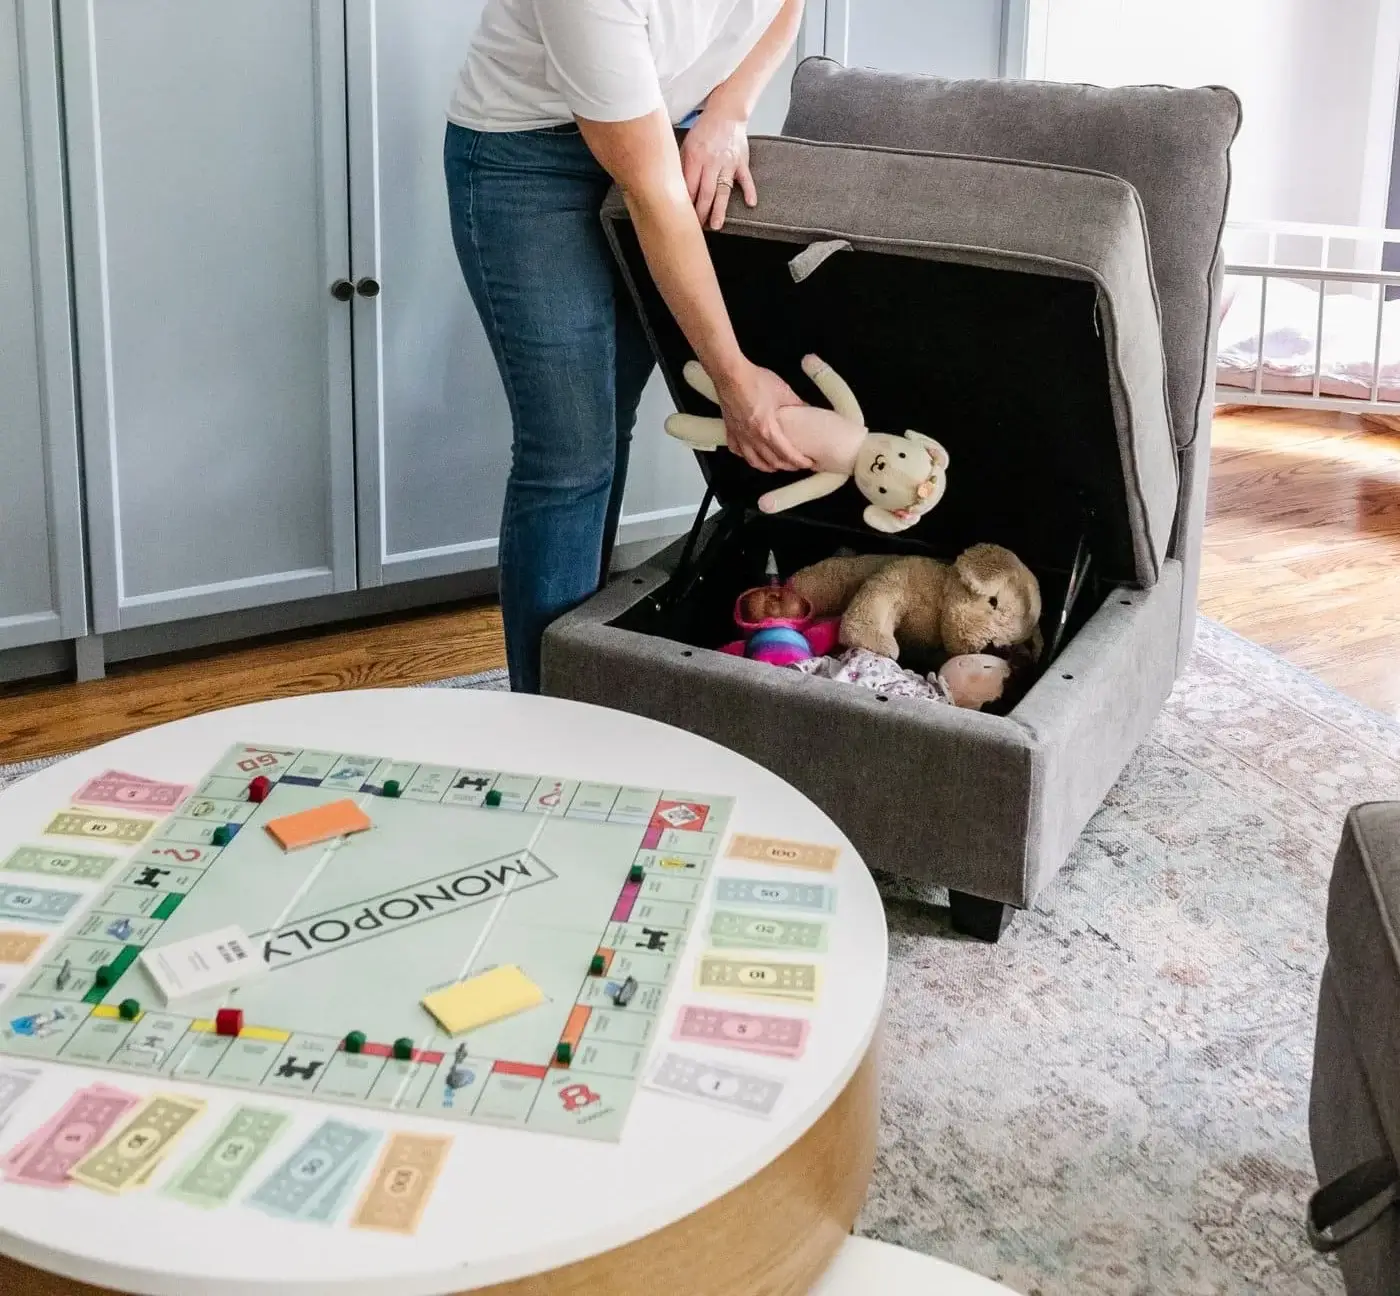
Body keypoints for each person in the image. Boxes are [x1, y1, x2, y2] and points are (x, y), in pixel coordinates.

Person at [445, 0, 811, 694]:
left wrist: (728, 111)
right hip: (526, 161)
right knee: (568, 455)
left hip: (663, 131)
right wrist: (733, 379)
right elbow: (653, 195)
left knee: (607, 427)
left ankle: (588, 672)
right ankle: (546, 713)